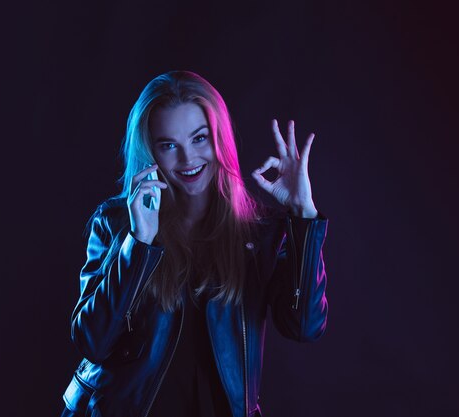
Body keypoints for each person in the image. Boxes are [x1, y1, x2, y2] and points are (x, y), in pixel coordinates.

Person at [61, 70, 329, 417]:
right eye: (168, 145)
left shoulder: (257, 233)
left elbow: (304, 327)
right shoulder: (116, 223)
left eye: (200, 138)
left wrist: (302, 216)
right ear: (150, 151)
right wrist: (139, 243)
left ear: (220, 139)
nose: (188, 160)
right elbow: (92, 342)